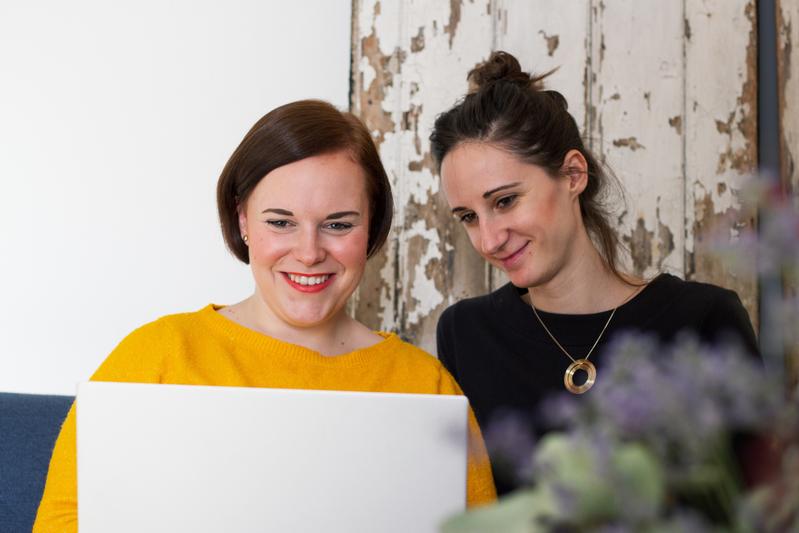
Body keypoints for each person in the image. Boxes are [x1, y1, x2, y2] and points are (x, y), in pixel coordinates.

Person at [33, 100, 496, 531]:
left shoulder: (425, 386)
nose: (309, 252)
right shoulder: (157, 358)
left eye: (338, 224)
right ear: (242, 222)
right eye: (280, 222)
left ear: (371, 227)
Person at [429, 51, 759, 493]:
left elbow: (758, 508)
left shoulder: (702, 320)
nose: (489, 240)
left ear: (572, 175)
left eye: (505, 201)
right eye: (468, 216)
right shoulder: (466, 334)